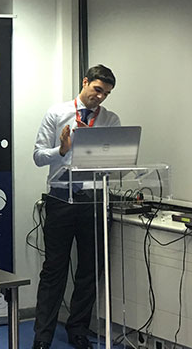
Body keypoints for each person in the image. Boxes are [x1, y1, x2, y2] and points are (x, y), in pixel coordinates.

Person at [31, 65, 119, 349]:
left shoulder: (110, 120)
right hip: (61, 198)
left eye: (106, 94)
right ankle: (42, 336)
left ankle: (78, 329)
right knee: (54, 269)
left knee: (90, 270)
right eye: (97, 90)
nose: (100, 97)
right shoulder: (57, 113)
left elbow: (116, 161)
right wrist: (62, 150)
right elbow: (37, 156)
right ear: (85, 82)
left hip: (94, 200)